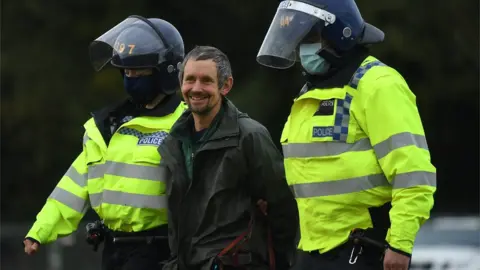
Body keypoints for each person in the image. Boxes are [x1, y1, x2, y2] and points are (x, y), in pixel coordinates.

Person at [256, 1, 437, 269]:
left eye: (310, 37)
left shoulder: (378, 85)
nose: (301, 47)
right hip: (309, 251)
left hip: (362, 251)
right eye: (299, 39)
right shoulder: (309, 95)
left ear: (338, 34)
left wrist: (399, 245)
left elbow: (414, 174)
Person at [23, 15, 187, 270]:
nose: (131, 78)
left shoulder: (185, 124)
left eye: (139, 71)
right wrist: (40, 230)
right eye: (126, 71)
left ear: (165, 72)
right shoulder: (106, 127)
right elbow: (74, 186)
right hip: (112, 249)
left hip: (161, 250)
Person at [158, 45, 299, 270]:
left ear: (226, 86)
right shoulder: (173, 141)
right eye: (190, 79)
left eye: (206, 81)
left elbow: (283, 209)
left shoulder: (250, 135)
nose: (196, 88)